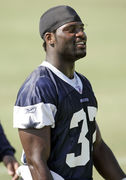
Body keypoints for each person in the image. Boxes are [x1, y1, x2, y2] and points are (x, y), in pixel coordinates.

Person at [13, 5, 126, 180]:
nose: (81, 34)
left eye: (81, 29)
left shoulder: (83, 84)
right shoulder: (39, 88)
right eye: (71, 30)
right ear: (50, 38)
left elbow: (97, 146)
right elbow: (36, 162)